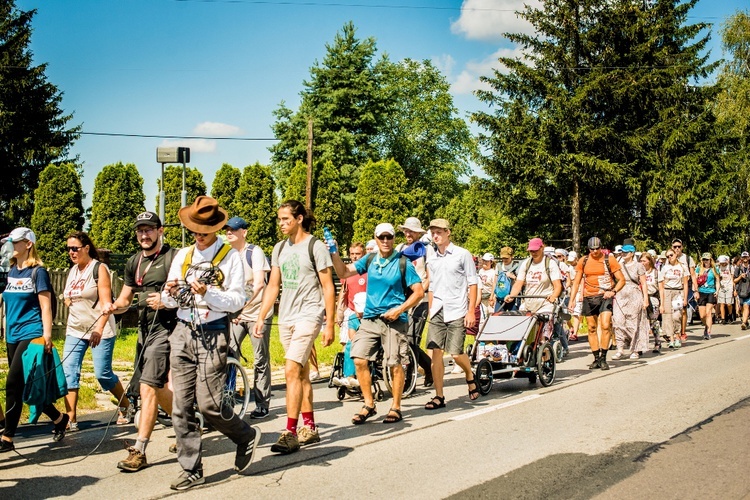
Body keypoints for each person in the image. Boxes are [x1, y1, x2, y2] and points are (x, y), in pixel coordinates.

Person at [161, 196, 261, 490]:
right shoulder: (183, 256)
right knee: (181, 406)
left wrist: (207, 293)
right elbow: (170, 298)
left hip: (213, 331)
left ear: (215, 230)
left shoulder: (230, 257)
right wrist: (169, 294)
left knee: (209, 405)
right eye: (194, 231)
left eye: (203, 232)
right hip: (182, 330)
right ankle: (191, 468)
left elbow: (237, 300)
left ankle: (244, 435)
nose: (198, 237)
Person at [254, 200, 335, 455]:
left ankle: (290, 432)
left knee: (290, 369)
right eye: (279, 219)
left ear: (299, 218)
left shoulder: (316, 246)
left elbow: (328, 286)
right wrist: (261, 315)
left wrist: (329, 323)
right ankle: (309, 427)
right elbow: (273, 286)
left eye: (285, 219)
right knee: (300, 374)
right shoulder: (279, 248)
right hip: (287, 316)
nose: (281, 224)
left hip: (309, 314)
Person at [329, 223, 424, 424]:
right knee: (359, 358)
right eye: (382, 237)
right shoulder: (370, 259)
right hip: (370, 319)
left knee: (394, 363)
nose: (386, 241)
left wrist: (399, 310)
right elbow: (344, 272)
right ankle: (369, 404)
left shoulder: (403, 263)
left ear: (394, 238)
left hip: (394, 321)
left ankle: (396, 407)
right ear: (376, 238)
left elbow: (418, 292)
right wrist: (334, 253)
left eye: (389, 237)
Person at [109, 212, 178, 472]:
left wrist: (167, 300)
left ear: (160, 231)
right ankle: (186, 425)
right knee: (158, 389)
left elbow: (184, 292)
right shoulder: (134, 261)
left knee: (149, 386)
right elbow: (125, 299)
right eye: (140, 230)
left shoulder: (173, 257)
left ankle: (139, 450)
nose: (144, 235)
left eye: (149, 230)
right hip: (144, 329)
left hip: (169, 328)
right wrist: (111, 306)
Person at [1, 228, 69, 452]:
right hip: (12, 334)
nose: (12, 245)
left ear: (28, 244)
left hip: (32, 334)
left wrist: (47, 335)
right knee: (24, 386)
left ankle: (8, 437)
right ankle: (59, 418)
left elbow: (46, 305)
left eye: (16, 242)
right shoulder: (11, 270)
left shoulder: (38, 272)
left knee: (12, 385)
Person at [62, 231, 128, 429]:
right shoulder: (73, 271)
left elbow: (107, 304)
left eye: (75, 248)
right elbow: (69, 294)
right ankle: (71, 419)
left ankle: (126, 405)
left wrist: (98, 329)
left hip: (100, 329)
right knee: (69, 373)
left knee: (103, 374)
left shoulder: (99, 269)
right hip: (75, 329)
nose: (71, 252)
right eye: (69, 249)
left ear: (86, 248)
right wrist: (67, 299)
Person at [220, 216, 274, 420]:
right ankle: (227, 397)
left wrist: (243, 308)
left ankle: (262, 403)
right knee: (229, 353)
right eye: (227, 230)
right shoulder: (227, 255)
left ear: (244, 232)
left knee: (260, 359)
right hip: (236, 314)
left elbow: (259, 284)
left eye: (233, 230)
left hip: (257, 313)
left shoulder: (254, 252)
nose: (229, 233)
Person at [424, 219, 480, 410]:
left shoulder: (462, 254)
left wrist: (471, 310)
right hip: (438, 309)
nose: (436, 236)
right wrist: (431, 310)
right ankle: (439, 396)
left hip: (457, 308)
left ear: (448, 232)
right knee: (435, 353)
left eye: (439, 232)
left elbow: (472, 283)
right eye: (433, 233)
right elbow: (431, 286)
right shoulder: (431, 258)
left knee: (456, 353)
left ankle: (470, 375)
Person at [568, 237, 625, 370]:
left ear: (601, 248)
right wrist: (572, 300)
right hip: (589, 297)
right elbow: (576, 282)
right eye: (592, 249)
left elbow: (621, 280)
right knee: (591, 328)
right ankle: (596, 358)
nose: (594, 251)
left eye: (597, 248)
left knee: (605, 325)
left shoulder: (609, 259)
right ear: (588, 249)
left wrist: (613, 291)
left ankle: (604, 357)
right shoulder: (584, 260)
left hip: (605, 295)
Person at [396, 217, 434, 387]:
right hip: (402, 299)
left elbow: (429, 276)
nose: (407, 233)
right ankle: (428, 367)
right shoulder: (400, 249)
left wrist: (420, 292)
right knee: (401, 338)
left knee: (412, 338)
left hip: (421, 298)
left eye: (411, 231)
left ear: (418, 233)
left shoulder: (426, 250)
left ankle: (409, 379)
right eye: (405, 230)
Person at [333, 242, 367, 387]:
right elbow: (344, 293)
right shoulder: (347, 272)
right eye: (352, 254)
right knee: (347, 344)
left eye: (357, 254)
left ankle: (359, 375)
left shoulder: (368, 271)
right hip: (352, 312)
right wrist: (339, 313)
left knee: (359, 345)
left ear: (363, 254)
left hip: (367, 313)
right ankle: (349, 377)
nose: (354, 257)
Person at [504, 237, 562, 319]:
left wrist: (553, 296)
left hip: (545, 304)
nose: (533, 253)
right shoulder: (526, 264)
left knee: (543, 329)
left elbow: (558, 286)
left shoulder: (550, 264)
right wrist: (511, 296)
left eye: (536, 250)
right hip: (528, 304)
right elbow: (518, 284)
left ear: (542, 248)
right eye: (531, 251)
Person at [611, 245, 650, 360]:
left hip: (634, 294)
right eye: (622, 252)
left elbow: (643, 283)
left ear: (632, 253)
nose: (623, 254)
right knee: (618, 321)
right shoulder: (618, 265)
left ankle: (635, 349)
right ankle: (620, 349)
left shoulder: (639, 266)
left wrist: (646, 299)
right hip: (620, 294)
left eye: (626, 252)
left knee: (633, 323)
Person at [658, 250, 689, 349]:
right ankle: (671, 338)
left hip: (678, 292)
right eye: (667, 256)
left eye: (671, 255)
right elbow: (661, 285)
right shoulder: (665, 268)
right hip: (667, 291)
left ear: (676, 255)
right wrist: (662, 303)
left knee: (677, 315)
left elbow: (685, 283)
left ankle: (677, 335)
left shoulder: (682, 267)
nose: (669, 257)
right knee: (667, 316)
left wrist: (685, 298)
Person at [671, 239, 697, 340]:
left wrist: (696, 290)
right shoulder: (670, 257)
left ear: (682, 247)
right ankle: (674, 331)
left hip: (684, 287)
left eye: (679, 246)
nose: (677, 248)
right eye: (675, 247)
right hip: (672, 287)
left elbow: (693, 275)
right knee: (672, 310)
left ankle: (682, 332)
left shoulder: (687, 258)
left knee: (683, 310)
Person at [640, 252, 662, 353]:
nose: (642, 263)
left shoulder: (656, 273)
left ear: (649, 261)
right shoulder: (639, 272)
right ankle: (640, 345)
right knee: (641, 323)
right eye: (641, 261)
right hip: (641, 299)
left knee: (654, 322)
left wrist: (662, 304)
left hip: (653, 299)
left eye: (644, 261)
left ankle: (657, 342)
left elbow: (661, 289)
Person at [695, 252, 719, 340]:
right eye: (704, 259)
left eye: (707, 259)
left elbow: (717, 280)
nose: (705, 261)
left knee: (708, 312)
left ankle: (708, 331)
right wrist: (696, 291)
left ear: (710, 260)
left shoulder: (714, 269)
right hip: (701, 291)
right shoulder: (699, 268)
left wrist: (717, 290)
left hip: (711, 291)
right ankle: (706, 326)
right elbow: (695, 280)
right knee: (702, 315)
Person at [493, 246, 519, 312]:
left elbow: (521, 283)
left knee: (514, 318)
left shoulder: (517, 267)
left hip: (513, 298)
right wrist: (492, 295)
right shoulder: (499, 266)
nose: (504, 260)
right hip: (500, 297)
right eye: (503, 258)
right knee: (497, 316)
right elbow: (495, 282)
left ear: (512, 256)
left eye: (506, 258)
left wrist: (514, 277)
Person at [733, 252, 750, 329]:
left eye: (746, 257)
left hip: (749, 290)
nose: (745, 258)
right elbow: (734, 280)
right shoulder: (738, 268)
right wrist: (740, 277)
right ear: (741, 258)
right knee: (742, 307)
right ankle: (746, 321)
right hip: (741, 290)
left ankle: (743, 322)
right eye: (743, 257)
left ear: (749, 258)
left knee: (746, 306)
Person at [716, 255, 734, 325]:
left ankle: (730, 315)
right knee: (722, 303)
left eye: (724, 262)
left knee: (729, 304)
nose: (723, 264)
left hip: (729, 286)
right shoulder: (718, 267)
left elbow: (732, 278)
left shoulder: (730, 267)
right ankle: (723, 318)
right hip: (721, 286)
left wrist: (734, 289)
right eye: (721, 262)